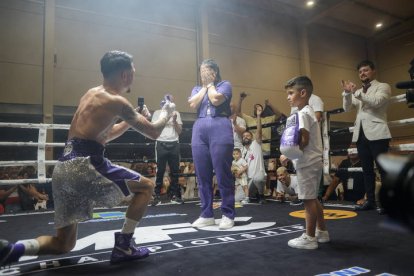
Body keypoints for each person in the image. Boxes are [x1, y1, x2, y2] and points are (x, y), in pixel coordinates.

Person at [0, 50, 175, 266]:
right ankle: (123, 246)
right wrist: (167, 112)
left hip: (64, 168)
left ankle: (14, 249)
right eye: (133, 72)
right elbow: (154, 133)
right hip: (85, 164)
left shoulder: (91, 94)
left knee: (64, 244)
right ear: (125, 75)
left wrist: (131, 120)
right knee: (146, 187)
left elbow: (106, 135)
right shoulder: (118, 101)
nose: (133, 77)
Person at [188, 58, 235, 230]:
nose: (202, 75)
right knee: (202, 174)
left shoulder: (225, 84)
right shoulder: (197, 88)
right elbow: (193, 103)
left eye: (205, 72)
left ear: (214, 72)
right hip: (199, 128)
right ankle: (206, 214)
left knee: (223, 172)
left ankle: (228, 214)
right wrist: (205, 87)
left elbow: (216, 100)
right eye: (201, 72)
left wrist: (211, 85)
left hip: (220, 125)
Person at [283, 76, 329, 250]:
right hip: (313, 161)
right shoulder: (309, 111)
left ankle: (309, 238)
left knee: (308, 200)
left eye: (290, 93)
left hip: (307, 162)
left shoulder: (302, 113)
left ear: (303, 93)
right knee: (313, 198)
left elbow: (304, 138)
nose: (288, 97)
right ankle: (322, 231)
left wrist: (290, 153)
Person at [341, 60, 391, 211]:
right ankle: (370, 201)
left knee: (383, 170)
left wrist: (357, 93)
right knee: (367, 170)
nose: (362, 73)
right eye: (360, 71)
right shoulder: (359, 91)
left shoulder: (382, 86)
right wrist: (347, 93)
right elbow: (346, 107)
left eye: (366, 70)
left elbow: (377, 102)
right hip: (361, 135)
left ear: (373, 71)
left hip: (378, 133)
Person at [151, 94, 183, 205]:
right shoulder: (157, 113)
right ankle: (157, 196)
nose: (168, 103)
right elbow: (154, 129)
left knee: (175, 171)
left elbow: (179, 131)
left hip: (174, 143)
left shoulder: (177, 113)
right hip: (161, 142)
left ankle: (174, 195)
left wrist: (174, 121)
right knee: (160, 171)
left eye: (170, 101)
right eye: (166, 101)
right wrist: (165, 118)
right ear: (162, 103)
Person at [241, 108, 267, 204]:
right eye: (244, 136)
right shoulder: (242, 151)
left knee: (258, 178)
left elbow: (259, 131)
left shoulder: (256, 144)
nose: (245, 137)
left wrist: (258, 116)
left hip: (258, 176)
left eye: (248, 136)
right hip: (249, 181)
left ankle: (261, 196)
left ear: (251, 137)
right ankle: (254, 194)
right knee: (237, 198)